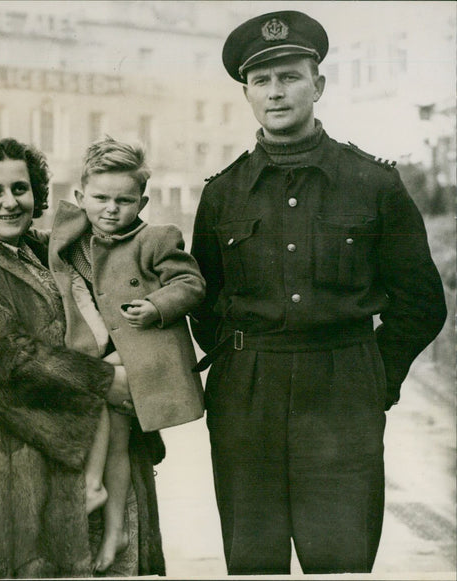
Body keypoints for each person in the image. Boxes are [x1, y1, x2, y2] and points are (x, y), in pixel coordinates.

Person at [190, 10, 447, 575]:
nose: (276, 93)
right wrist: (242, 360)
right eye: (262, 81)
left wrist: (377, 372)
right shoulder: (222, 194)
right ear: (247, 93)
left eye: (290, 77)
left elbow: (423, 302)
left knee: (341, 562)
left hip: (343, 392)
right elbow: (204, 304)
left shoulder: (374, 184)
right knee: (253, 563)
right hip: (246, 396)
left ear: (318, 85)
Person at [0, 138, 166, 578]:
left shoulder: (50, 248)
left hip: (99, 459)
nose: (10, 202)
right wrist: (105, 381)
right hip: (20, 478)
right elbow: (2, 358)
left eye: (20, 188)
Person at [47, 137, 205, 572]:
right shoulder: (69, 234)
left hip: (143, 353)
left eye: (124, 200)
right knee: (115, 437)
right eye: (100, 198)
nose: (111, 209)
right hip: (102, 350)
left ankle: (94, 487)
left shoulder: (155, 239)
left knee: (97, 391)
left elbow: (191, 284)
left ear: (142, 201)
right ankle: (114, 525)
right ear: (80, 197)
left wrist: (156, 306)